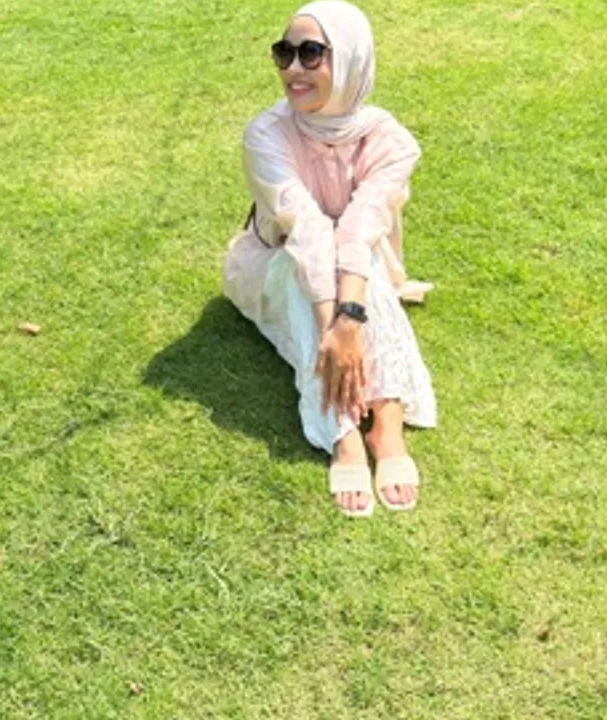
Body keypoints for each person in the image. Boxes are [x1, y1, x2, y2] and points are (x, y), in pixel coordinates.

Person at [223, 0, 436, 517]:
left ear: (350, 60)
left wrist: (350, 318)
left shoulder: (390, 141)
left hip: (360, 265)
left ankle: (386, 424)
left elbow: (361, 227)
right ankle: (343, 432)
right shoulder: (265, 134)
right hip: (278, 261)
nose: (293, 69)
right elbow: (307, 231)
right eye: (284, 53)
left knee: (366, 273)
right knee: (308, 274)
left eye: (311, 54)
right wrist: (335, 332)